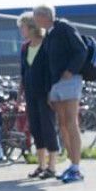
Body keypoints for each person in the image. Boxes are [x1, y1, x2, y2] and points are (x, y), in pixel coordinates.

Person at [32, 4, 87, 184]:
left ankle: (77, 168)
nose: (34, 20)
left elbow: (81, 50)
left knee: (71, 122)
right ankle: (72, 165)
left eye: (35, 16)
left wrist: (71, 70)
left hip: (70, 81)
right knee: (62, 124)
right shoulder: (49, 34)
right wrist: (49, 90)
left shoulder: (64, 27)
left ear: (44, 16)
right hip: (56, 85)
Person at [17, 12, 59, 179]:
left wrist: (51, 93)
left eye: (23, 27)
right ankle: (41, 165)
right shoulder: (25, 47)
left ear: (32, 27)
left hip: (45, 93)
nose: (21, 30)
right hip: (30, 94)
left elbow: (52, 71)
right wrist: (20, 92)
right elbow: (23, 71)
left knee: (48, 128)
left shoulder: (47, 45)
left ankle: (52, 166)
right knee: (35, 128)